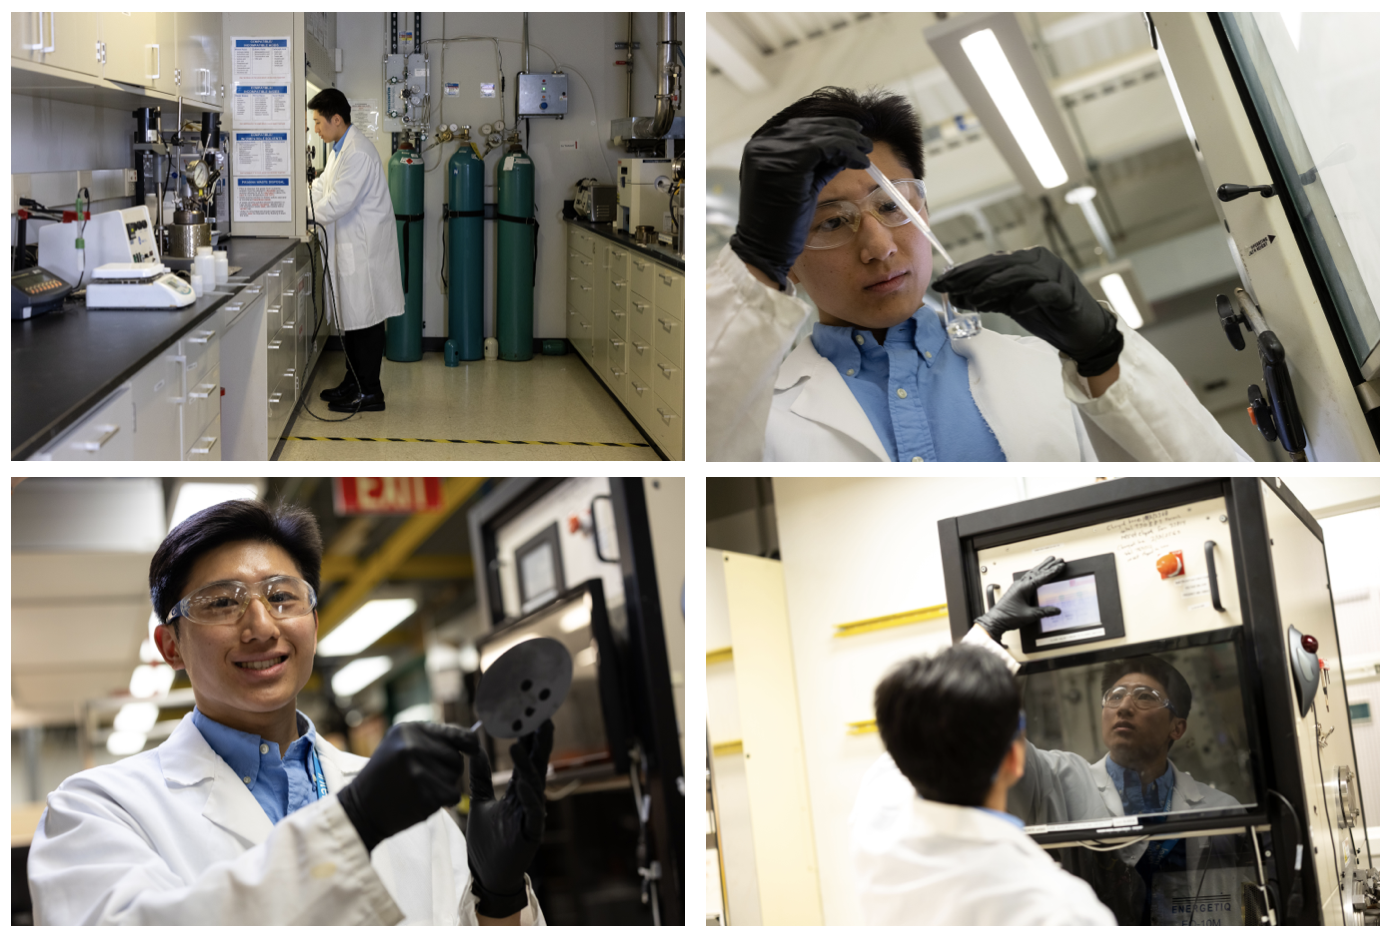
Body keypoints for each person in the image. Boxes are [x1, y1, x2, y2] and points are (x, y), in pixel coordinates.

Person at [27, 500, 550, 925]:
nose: (260, 626)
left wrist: (497, 900)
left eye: (282, 597)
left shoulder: (405, 800)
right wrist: (354, 824)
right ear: (171, 647)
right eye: (221, 602)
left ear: (314, 624)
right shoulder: (97, 811)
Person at [707, 86, 1252, 462]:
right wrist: (751, 259)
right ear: (788, 258)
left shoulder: (1048, 372)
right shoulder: (751, 413)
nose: (876, 246)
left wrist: (1105, 355)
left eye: (893, 206)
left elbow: (1217, 471)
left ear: (926, 210)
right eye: (831, 221)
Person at [964, 556, 1244, 925]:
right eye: (1114, 696)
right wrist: (987, 635)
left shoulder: (1222, 811)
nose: (1124, 705)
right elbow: (973, 737)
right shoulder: (1055, 777)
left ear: (1178, 727)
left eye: (1144, 696)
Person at [849, 644, 1116, 925]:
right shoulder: (1062, 911)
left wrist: (985, 632)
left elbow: (916, 729)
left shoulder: (875, 829)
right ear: (1015, 759)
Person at [308, 87, 403, 413]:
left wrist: (302, 213)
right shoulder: (340, 149)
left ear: (337, 119)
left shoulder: (358, 152)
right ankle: (354, 382)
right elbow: (322, 187)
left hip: (364, 252)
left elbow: (338, 202)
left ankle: (370, 391)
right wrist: (300, 198)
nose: (316, 129)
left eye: (319, 122)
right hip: (351, 249)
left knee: (366, 320)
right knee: (353, 318)